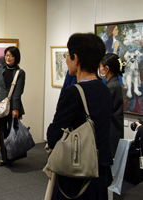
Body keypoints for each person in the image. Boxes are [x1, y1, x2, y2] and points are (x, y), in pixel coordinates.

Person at [46, 33, 113, 199]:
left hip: (76, 170)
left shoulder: (73, 93)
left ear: (75, 58)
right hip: (99, 167)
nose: (67, 60)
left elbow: (54, 135)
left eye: (67, 55)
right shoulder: (105, 90)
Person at [99, 53, 125, 158]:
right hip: (114, 129)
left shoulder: (112, 87)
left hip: (111, 131)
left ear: (107, 69)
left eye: (100, 67)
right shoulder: (115, 84)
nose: (99, 70)